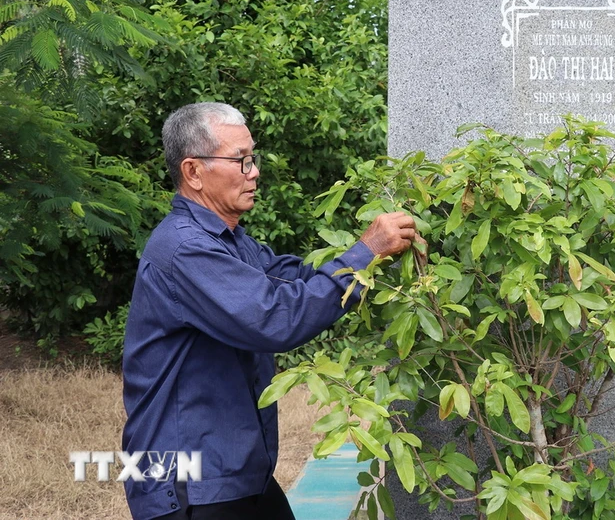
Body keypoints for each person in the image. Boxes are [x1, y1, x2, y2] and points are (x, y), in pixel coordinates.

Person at [121, 102, 420, 520]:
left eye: (252, 158)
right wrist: (364, 252)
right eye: (240, 161)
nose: (254, 171)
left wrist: (375, 260)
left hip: (234, 471)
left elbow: (292, 277)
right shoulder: (185, 249)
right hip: (190, 483)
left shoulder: (229, 239)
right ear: (193, 172)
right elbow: (277, 317)